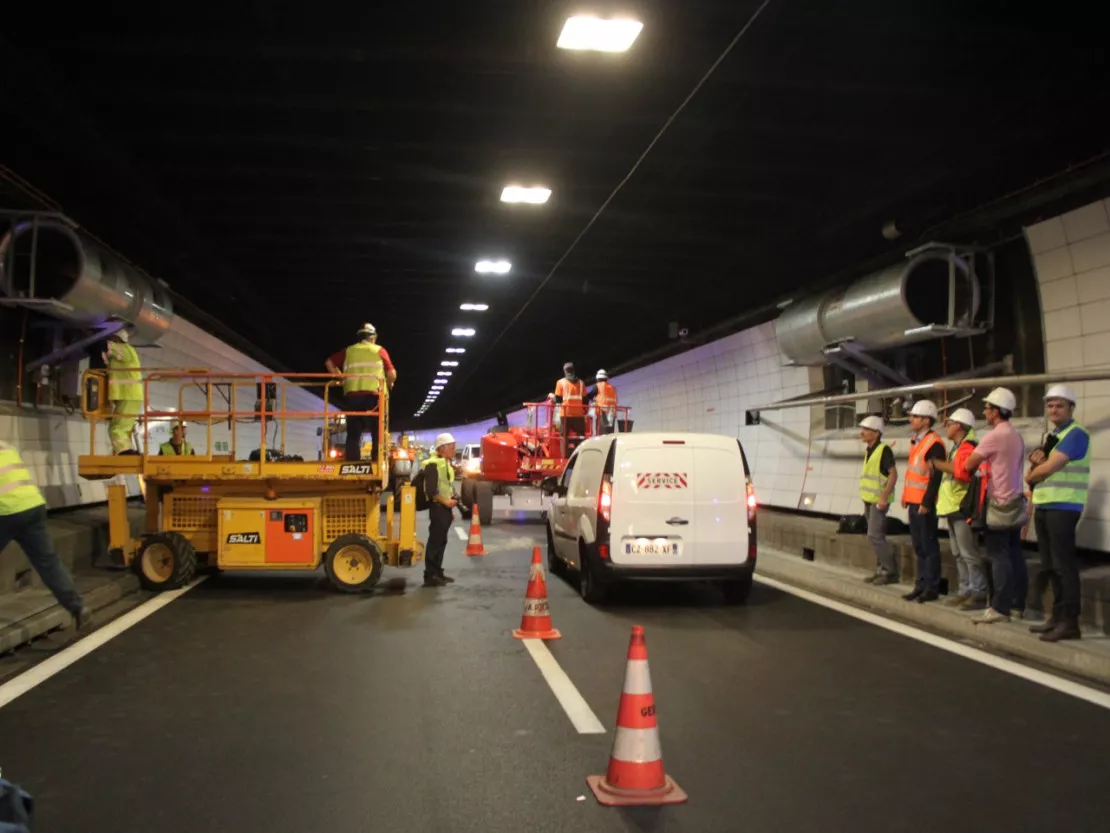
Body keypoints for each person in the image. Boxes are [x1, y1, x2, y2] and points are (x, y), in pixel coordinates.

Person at [0, 441, 90, 631]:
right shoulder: (6, 446)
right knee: (48, 562)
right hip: (34, 506)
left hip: (6, 511)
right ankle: (77, 607)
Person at [1025, 384, 1089, 642]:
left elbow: (1049, 467)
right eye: (1050, 405)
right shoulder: (1054, 436)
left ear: (1071, 408)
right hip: (1046, 504)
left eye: (1059, 405)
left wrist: (1032, 473)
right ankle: (1056, 617)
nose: (1053, 409)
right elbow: (1040, 465)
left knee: (1064, 567)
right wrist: (1035, 466)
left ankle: (1071, 623)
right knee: (1050, 565)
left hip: (1064, 506)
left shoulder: (1076, 434)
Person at [963, 387, 1029, 624]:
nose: (985, 412)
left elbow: (970, 463)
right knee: (1014, 554)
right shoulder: (1016, 435)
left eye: (988, 408)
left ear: (997, 411)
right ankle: (1017, 605)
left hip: (998, 503)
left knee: (998, 555)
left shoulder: (994, 436)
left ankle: (999, 608)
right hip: (1015, 501)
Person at [929, 408, 987, 609]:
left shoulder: (967, 447)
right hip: (953, 505)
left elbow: (961, 473)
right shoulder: (958, 447)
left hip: (962, 506)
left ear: (960, 426)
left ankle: (978, 593)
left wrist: (938, 464)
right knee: (959, 553)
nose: (946, 426)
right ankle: (965, 590)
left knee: (968, 552)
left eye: (950, 423)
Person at [326, 323, 397, 464]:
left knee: (353, 433)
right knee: (377, 432)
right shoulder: (379, 350)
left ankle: (352, 463)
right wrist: (390, 383)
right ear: (372, 338)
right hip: (373, 397)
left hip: (352, 397)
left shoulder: (349, 351)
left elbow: (329, 362)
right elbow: (392, 374)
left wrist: (341, 377)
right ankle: (377, 461)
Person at [901, 400, 946, 603]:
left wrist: (927, 502)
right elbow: (913, 473)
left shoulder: (933, 443)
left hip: (924, 504)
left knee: (928, 546)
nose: (911, 419)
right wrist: (905, 495)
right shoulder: (917, 440)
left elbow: (935, 476)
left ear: (926, 420)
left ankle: (931, 587)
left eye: (915, 417)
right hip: (913, 501)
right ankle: (920, 584)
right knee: (919, 546)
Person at [858, 415, 899, 585]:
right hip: (870, 499)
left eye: (866, 430)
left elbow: (893, 474)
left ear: (876, 433)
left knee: (874, 535)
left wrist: (883, 496)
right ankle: (880, 570)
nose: (862, 433)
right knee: (875, 536)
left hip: (879, 500)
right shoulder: (870, 450)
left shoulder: (884, 450)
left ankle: (889, 572)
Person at [420, 432, 458, 588]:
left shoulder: (445, 463)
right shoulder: (433, 464)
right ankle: (430, 575)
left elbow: (445, 487)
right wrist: (445, 502)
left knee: (442, 541)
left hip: (444, 508)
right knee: (435, 542)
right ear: (442, 448)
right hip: (437, 508)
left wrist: (450, 508)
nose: (454, 450)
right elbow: (430, 491)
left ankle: (438, 572)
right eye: (451, 447)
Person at [102, 328, 142, 454]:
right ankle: (128, 452)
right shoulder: (121, 356)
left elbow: (106, 346)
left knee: (116, 429)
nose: (110, 340)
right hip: (130, 395)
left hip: (128, 395)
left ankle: (125, 453)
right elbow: (107, 357)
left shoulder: (126, 350)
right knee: (123, 428)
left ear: (117, 339)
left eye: (111, 337)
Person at [547, 362, 586, 449]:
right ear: (573, 370)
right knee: (580, 437)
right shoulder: (581, 383)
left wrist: (552, 397)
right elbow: (585, 400)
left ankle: (565, 457)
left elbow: (558, 400)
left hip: (565, 414)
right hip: (579, 415)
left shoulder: (560, 382)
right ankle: (580, 455)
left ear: (565, 371)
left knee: (564, 437)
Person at [591, 369, 619, 434]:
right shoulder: (612, 388)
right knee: (610, 433)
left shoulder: (596, 386)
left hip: (602, 413)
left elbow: (590, 397)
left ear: (597, 378)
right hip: (612, 413)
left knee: (601, 434)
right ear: (606, 379)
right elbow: (616, 400)